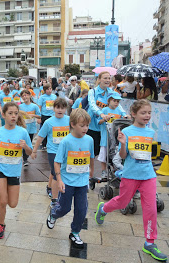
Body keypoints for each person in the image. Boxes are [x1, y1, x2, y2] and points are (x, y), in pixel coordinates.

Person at [95, 99, 167, 262]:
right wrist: (122, 144)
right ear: (133, 114)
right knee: (121, 202)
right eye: (143, 113)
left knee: (151, 210)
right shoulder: (127, 132)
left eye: (149, 112)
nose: (147, 115)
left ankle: (149, 243)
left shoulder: (149, 132)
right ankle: (104, 208)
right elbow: (122, 156)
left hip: (148, 176)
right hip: (130, 175)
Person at [46, 108, 94, 249]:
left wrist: (91, 169)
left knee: (81, 209)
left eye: (87, 125)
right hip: (67, 182)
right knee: (64, 208)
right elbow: (57, 161)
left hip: (82, 181)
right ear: (72, 124)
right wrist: (59, 180)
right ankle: (54, 214)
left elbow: (90, 157)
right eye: (82, 125)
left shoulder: (89, 140)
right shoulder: (66, 141)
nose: (85, 128)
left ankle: (75, 232)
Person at [0, 102, 33, 239]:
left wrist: (25, 147)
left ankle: (5, 199)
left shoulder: (23, 132)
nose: (13, 116)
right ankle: (1, 224)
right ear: (3, 115)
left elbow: (30, 152)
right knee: (2, 200)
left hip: (14, 171)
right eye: (10, 113)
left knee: (12, 204)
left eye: (15, 113)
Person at [31, 98, 69, 204]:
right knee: (56, 172)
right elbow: (40, 137)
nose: (60, 110)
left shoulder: (69, 120)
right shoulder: (48, 122)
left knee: (56, 172)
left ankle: (49, 186)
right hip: (53, 151)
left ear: (66, 109)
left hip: (66, 151)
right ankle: (54, 199)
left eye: (62, 108)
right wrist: (34, 150)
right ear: (54, 108)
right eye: (58, 108)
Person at [86, 71, 126, 157]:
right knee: (92, 151)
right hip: (92, 124)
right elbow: (92, 105)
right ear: (99, 79)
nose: (108, 80)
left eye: (109, 78)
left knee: (105, 152)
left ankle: (104, 169)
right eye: (105, 78)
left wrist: (124, 114)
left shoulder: (112, 92)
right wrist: (101, 114)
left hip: (105, 126)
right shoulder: (92, 92)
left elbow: (118, 105)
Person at [97, 93, 127, 178]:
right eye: (114, 101)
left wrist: (126, 117)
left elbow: (124, 118)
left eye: (118, 101)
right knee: (103, 155)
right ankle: (103, 171)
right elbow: (98, 122)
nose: (116, 103)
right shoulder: (104, 110)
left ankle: (116, 170)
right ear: (109, 100)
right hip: (105, 137)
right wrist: (104, 119)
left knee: (115, 154)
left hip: (116, 138)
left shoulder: (119, 111)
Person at [19, 90, 41, 166]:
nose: (24, 97)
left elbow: (39, 115)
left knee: (29, 144)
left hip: (32, 128)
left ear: (29, 96)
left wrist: (33, 115)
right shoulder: (20, 106)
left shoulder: (34, 106)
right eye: (23, 96)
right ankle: (25, 159)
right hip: (23, 128)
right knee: (23, 143)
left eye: (26, 95)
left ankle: (26, 157)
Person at [37, 83, 57, 148]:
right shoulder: (42, 97)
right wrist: (39, 117)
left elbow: (56, 105)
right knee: (44, 130)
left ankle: (51, 143)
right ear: (45, 90)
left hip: (53, 115)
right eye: (48, 89)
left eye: (50, 89)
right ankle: (44, 144)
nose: (49, 90)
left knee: (52, 130)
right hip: (44, 115)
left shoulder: (54, 96)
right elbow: (39, 107)